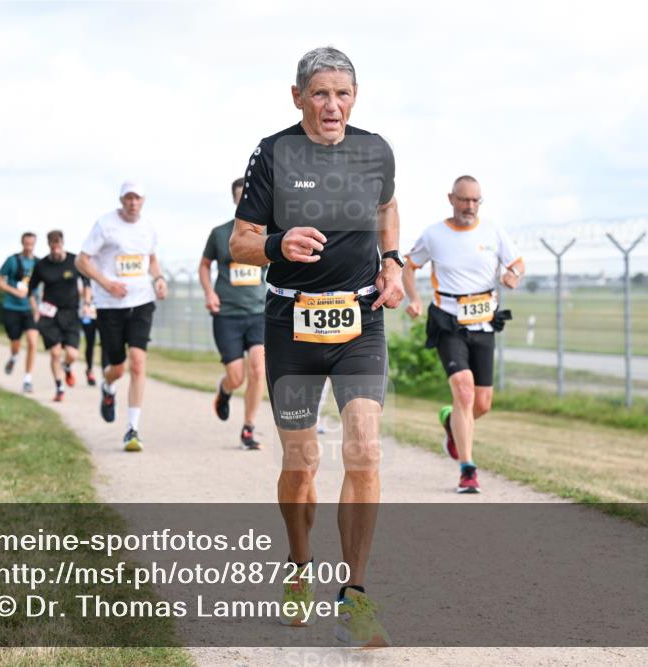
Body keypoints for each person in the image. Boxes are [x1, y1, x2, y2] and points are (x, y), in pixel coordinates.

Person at [228, 46, 402, 647]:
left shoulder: (375, 150)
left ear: (355, 98)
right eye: (321, 93)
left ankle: (354, 595)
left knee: (365, 449)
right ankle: (299, 564)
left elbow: (387, 206)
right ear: (298, 96)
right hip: (291, 323)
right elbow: (241, 241)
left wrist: (394, 262)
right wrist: (277, 245)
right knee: (302, 465)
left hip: (360, 320)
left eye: (343, 93)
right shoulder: (273, 152)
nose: (332, 105)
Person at [403, 175, 524, 494]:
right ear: (451, 199)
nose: (469, 206)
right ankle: (467, 470)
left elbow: (517, 264)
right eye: (464, 199)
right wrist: (414, 299)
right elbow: (409, 266)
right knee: (464, 391)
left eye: (475, 200)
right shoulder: (434, 234)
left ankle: (450, 422)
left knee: (481, 403)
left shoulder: (493, 230)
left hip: (484, 322)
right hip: (448, 322)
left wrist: (513, 275)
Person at [77, 180, 168, 452]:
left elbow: (151, 259)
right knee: (118, 367)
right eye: (128, 198)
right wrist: (106, 284)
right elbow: (81, 260)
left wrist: (159, 279)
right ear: (121, 200)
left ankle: (132, 429)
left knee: (137, 362)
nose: (132, 202)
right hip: (110, 305)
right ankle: (108, 386)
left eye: (137, 198)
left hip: (141, 301)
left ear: (143, 200)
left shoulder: (148, 227)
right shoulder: (105, 225)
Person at [200, 177, 266, 450]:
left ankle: (248, 428)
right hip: (227, 314)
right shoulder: (220, 233)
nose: (245, 202)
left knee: (258, 368)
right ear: (234, 200)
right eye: (241, 198)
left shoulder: (266, 233)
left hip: (259, 312)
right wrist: (209, 293)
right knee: (237, 377)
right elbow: (204, 265)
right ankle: (225, 390)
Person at [29, 230, 91, 402]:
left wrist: (87, 303)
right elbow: (31, 290)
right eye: (52, 247)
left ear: (62, 244)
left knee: (72, 354)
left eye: (58, 246)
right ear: (48, 245)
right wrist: (35, 310)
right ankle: (59, 387)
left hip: (71, 313)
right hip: (49, 314)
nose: (56, 250)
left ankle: (67, 367)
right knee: (55, 353)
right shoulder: (42, 265)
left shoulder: (75, 261)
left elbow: (87, 284)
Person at [0, 232, 40, 393]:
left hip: (29, 308)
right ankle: (14, 357)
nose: (29, 247)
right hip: (12, 307)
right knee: (15, 343)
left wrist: (37, 308)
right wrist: (14, 291)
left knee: (33, 342)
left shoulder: (38, 263)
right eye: (26, 244)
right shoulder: (12, 260)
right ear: (22, 243)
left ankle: (27, 379)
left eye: (31, 244)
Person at [80, 300, 99, 386]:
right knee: (90, 343)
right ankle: (90, 370)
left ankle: (105, 373)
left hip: (103, 313)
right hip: (88, 315)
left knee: (106, 344)